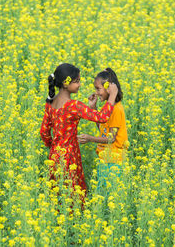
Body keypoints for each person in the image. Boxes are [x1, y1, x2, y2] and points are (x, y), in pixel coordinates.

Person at [40, 63, 118, 202]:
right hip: (70, 157)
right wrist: (112, 96)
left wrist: (54, 147)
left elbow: (44, 132)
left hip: (54, 156)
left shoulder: (50, 102)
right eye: (77, 81)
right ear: (65, 83)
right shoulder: (73, 106)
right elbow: (102, 117)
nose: (80, 84)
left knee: (56, 196)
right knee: (73, 197)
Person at [77, 68, 128, 194]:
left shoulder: (116, 110)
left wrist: (90, 138)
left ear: (108, 88)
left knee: (109, 196)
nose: (96, 92)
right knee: (103, 195)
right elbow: (103, 131)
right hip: (106, 158)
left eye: (98, 89)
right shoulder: (109, 107)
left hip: (114, 160)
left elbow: (111, 138)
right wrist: (93, 108)